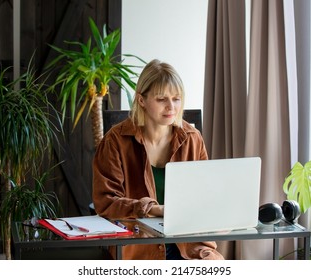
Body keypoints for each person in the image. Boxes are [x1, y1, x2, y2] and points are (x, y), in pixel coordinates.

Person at [92, 59, 224, 260]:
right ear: (141, 100)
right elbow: (106, 202)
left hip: (191, 246)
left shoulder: (192, 138)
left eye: (176, 98)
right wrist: (154, 209)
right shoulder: (115, 141)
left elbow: (205, 194)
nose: (171, 106)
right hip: (139, 248)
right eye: (162, 99)